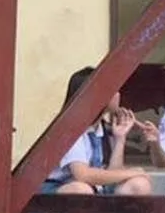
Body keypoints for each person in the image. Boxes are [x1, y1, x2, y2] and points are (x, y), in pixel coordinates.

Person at [40, 67, 153, 198]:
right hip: (58, 191)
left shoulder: (101, 128)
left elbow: (113, 174)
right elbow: (82, 175)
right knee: (80, 190)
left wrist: (120, 138)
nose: (118, 94)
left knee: (139, 184)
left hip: (94, 190)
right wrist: (131, 172)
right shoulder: (70, 128)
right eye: (113, 90)